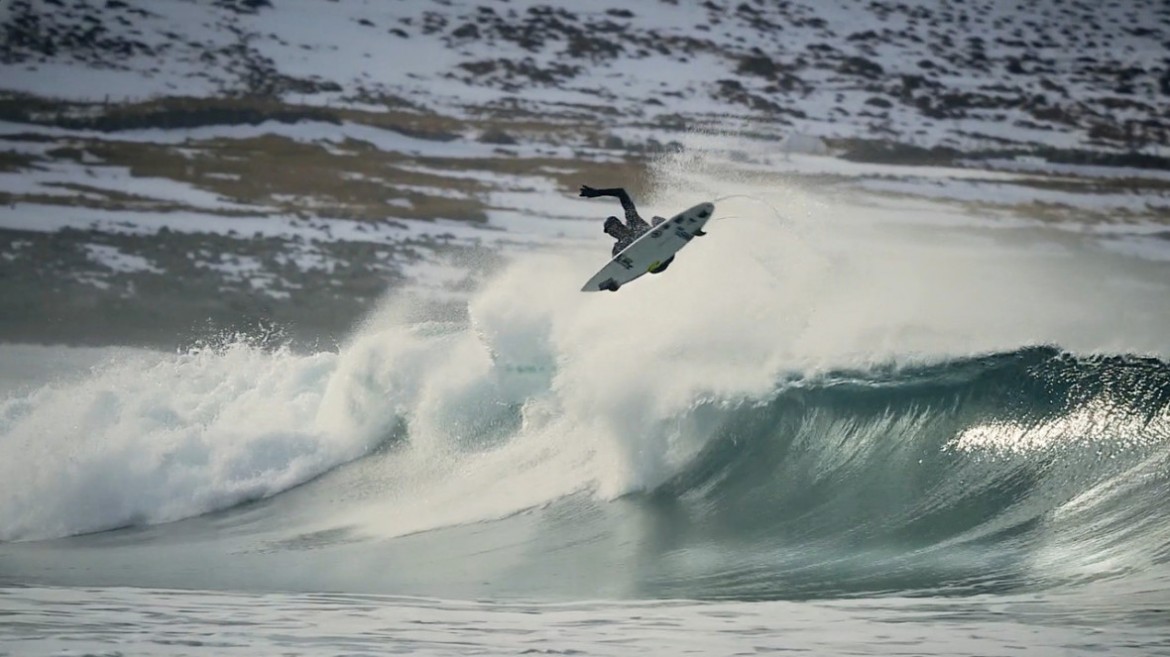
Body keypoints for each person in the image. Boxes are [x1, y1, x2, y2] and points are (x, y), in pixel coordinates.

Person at [579, 185, 663, 256]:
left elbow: (621, 192)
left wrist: (598, 193)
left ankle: (670, 230)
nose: (614, 231)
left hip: (662, 241)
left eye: (614, 227)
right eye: (610, 231)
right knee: (625, 246)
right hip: (655, 263)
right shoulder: (618, 249)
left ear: (620, 225)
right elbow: (618, 267)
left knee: (655, 219)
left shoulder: (633, 221)